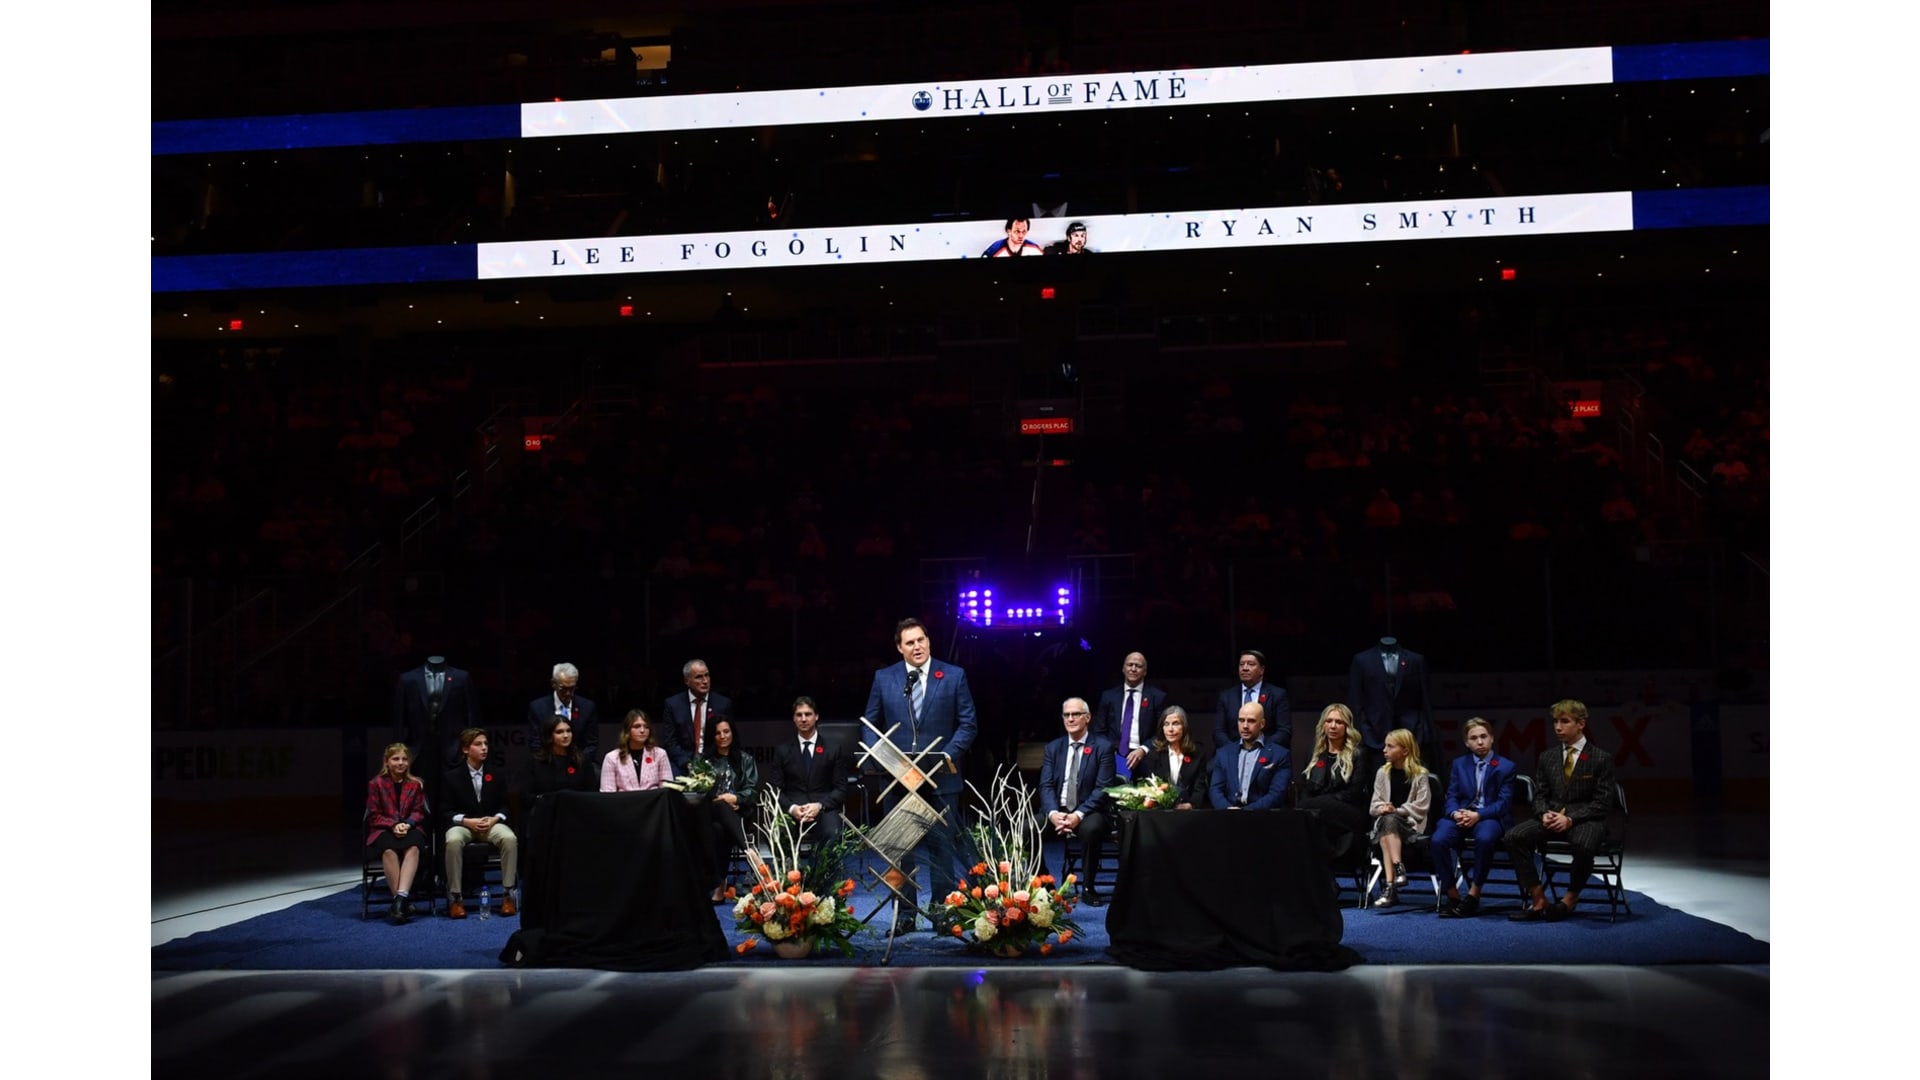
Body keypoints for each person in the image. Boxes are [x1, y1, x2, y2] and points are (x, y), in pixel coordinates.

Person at [863, 616, 978, 932]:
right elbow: (869, 724)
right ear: (899, 648)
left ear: (929, 641)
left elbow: (968, 724)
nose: (917, 646)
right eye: (910, 642)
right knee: (900, 849)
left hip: (941, 777)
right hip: (898, 780)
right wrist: (883, 759)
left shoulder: (953, 676)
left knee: (942, 849)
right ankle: (905, 915)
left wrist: (945, 757)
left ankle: (942, 912)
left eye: (921, 640)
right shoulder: (884, 678)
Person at [1506, 699, 1618, 922]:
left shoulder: (1601, 758)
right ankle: (1539, 900)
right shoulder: (1547, 757)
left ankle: (1569, 900)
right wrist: (1543, 813)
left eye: (1564, 722)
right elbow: (1540, 795)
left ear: (1581, 724)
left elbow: (1602, 803)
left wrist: (1570, 819)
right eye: (1555, 722)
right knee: (1513, 837)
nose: (1558, 727)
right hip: (1552, 816)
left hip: (1587, 819)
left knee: (1584, 845)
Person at [1431, 717, 1517, 918]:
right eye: (1474, 738)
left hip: (1490, 816)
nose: (1480, 742)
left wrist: (1478, 815)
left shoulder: (1505, 766)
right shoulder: (1460, 764)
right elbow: (1451, 795)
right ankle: (1453, 895)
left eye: (1484, 737)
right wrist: (1454, 812)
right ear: (1466, 743)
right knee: (1437, 840)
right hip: (1461, 815)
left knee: (1485, 839)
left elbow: (1503, 804)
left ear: (1492, 738)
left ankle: (1473, 894)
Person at [1038, 697, 1117, 905]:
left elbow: (1103, 788)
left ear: (1087, 718)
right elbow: (1045, 786)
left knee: (1091, 829)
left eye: (1076, 714)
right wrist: (1054, 814)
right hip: (1058, 811)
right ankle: (1044, 884)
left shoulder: (1103, 747)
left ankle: (1088, 888)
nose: (1070, 719)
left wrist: (1078, 815)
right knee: (1027, 829)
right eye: (1067, 715)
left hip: (1090, 811)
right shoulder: (1053, 748)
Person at [442, 728, 518, 920]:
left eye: (485, 744)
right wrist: (467, 821)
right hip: (464, 824)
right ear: (466, 749)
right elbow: (445, 811)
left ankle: (508, 894)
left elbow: (506, 806)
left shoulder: (498, 773)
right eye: (478, 744)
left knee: (509, 838)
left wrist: (495, 818)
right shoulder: (451, 777)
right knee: (452, 841)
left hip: (490, 823)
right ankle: (456, 898)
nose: (484, 748)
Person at [765, 696, 857, 852]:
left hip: (823, 806)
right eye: (799, 715)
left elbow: (841, 789)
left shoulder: (833, 749)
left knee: (832, 833)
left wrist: (819, 806)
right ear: (793, 719)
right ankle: (791, 874)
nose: (803, 719)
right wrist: (792, 808)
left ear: (816, 717)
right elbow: (775, 790)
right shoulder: (782, 750)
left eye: (807, 714)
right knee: (777, 833)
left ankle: (818, 875)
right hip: (794, 807)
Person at [1347, 637, 1434, 781]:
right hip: (1373, 735)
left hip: (1411, 735)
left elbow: (1425, 699)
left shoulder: (1415, 660)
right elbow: (1355, 700)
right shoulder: (1362, 660)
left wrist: (1424, 731)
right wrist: (1360, 732)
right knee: (1377, 782)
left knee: (1413, 782)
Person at [695, 715, 760, 903]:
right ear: (711, 737)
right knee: (719, 810)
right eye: (717, 733)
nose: (723, 736)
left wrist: (737, 798)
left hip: (738, 815)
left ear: (732, 733)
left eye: (726, 731)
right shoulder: (703, 761)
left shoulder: (745, 759)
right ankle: (751, 852)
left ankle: (720, 884)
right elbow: (697, 790)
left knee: (720, 830)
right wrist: (720, 800)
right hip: (708, 814)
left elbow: (752, 790)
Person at [1298, 703, 1372, 862]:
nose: (1333, 726)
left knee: (1306, 809)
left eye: (1339, 722)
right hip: (1317, 811)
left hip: (1351, 811)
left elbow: (1355, 793)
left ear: (1347, 726)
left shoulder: (1359, 754)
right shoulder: (1314, 753)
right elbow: (1305, 787)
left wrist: (1320, 802)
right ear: (1323, 724)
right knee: (1307, 815)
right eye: (1329, 721)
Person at [365, 742, 427, 925]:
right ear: (386, 762)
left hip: (410, 828)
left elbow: (418, 812)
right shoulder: (375, 784)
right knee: (389, 849)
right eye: (395, 759)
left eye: (404, 759)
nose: (400, 763)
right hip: (383, 829)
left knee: (414, 846)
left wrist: (407, 824)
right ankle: (401, 903)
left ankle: (399, 900)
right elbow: (374, 816)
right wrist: (394, 825)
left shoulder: (415, 784)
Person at [1369, 728, 1432, 909]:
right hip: (1388, 823)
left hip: (1410, 825)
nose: (1384, 750)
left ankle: (1390, 889)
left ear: (1405, 750)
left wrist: (1396, 810)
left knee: (1388, 825)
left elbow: (1422, 806)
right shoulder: (1382, 773)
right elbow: (1373, 806)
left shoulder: (1420, 775)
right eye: (1385, 746)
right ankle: (1398, 870)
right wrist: (1383, 808)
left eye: (1390, 746)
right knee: (1388, 822)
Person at [391, 656, 476, 767]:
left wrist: (472, 744)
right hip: (418, 747)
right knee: (421, 782)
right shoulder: (408, 679)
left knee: (452, 782)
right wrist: (398, 747)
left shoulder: (461, 677)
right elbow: (399, 716)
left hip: (453, 746)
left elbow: (471, 712)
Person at [1095, 651, 1169, 777]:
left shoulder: (1158, 697)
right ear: (1123, 669)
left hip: (1146, 755)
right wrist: (1109, 750)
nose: (1133, 669)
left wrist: (1143, 749)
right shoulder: (1109, 696)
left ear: (1145, 671)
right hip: (1114, 754)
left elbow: (1162, 731)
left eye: (1138, 666)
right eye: (1130, 665)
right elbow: (1099, 730)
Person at [1207, 702, 1291, 811]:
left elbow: (1276, 794)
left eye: (1251, 721)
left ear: (1262, 724)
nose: (1245, 726)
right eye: (1241, 720)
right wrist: (1228, 809)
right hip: (1228, 816)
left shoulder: (1279, 754)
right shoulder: (1223, 753)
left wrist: (1245, 813)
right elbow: (1215, 790)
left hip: (1263, 818)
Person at [661, 658, 734, 772]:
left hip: (714, 763)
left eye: (707, 675)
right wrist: (688, 764)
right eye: (699, 677)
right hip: (682, 764)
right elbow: (670, 741)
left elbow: (729, 738)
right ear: (687, 681)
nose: (705, 681)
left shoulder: (723, 704)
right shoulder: (673, 704)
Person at [1215, 650, 1290, 759]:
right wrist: (1234, 750)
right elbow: (1218, 732)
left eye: (1251, 664)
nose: (1244, 668)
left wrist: (1260, 749)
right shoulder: (1226, 696)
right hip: (1232, 753)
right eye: (1241, 664)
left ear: (1262, 670)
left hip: (1266, 753)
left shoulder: (1277, 695)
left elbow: (1284, 731)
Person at [527, 662, 599, 767]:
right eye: (563, 689)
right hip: (548, 764)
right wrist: (550, 764)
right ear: (553, 684)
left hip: (579, 763)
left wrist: (579, 762)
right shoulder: (538, 708)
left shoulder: (587, 707)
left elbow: (591, 743)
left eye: (572, 688)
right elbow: (535, 743)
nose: (568, 693)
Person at [519, 714, 596, 810]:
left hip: (576, 813)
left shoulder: (582, 760)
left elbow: (592, 794)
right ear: (549, 735)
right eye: (559, 732)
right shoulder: (535, 762)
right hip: (545, 812)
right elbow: (526, 797)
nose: (565, 735)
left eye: (569, 731)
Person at [1141, 704, 1207, 809]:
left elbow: (1199, 787)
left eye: (1175, 724)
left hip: (1188, 811)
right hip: (1160, 811)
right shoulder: (1154, 754)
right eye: (1166, 724)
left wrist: (1191, 805)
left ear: (1185, 727)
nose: (1170, 729)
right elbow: (1151, 786)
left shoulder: (1197, 754)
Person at [601, 709, 674, 792]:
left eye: (646, 727)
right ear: (628, 730)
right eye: (637, 726)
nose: (642, 730)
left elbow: (667, 789)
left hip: (653, 803)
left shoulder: (660, 754)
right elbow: (608, 794)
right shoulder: (612, 758)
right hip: (624, 803)